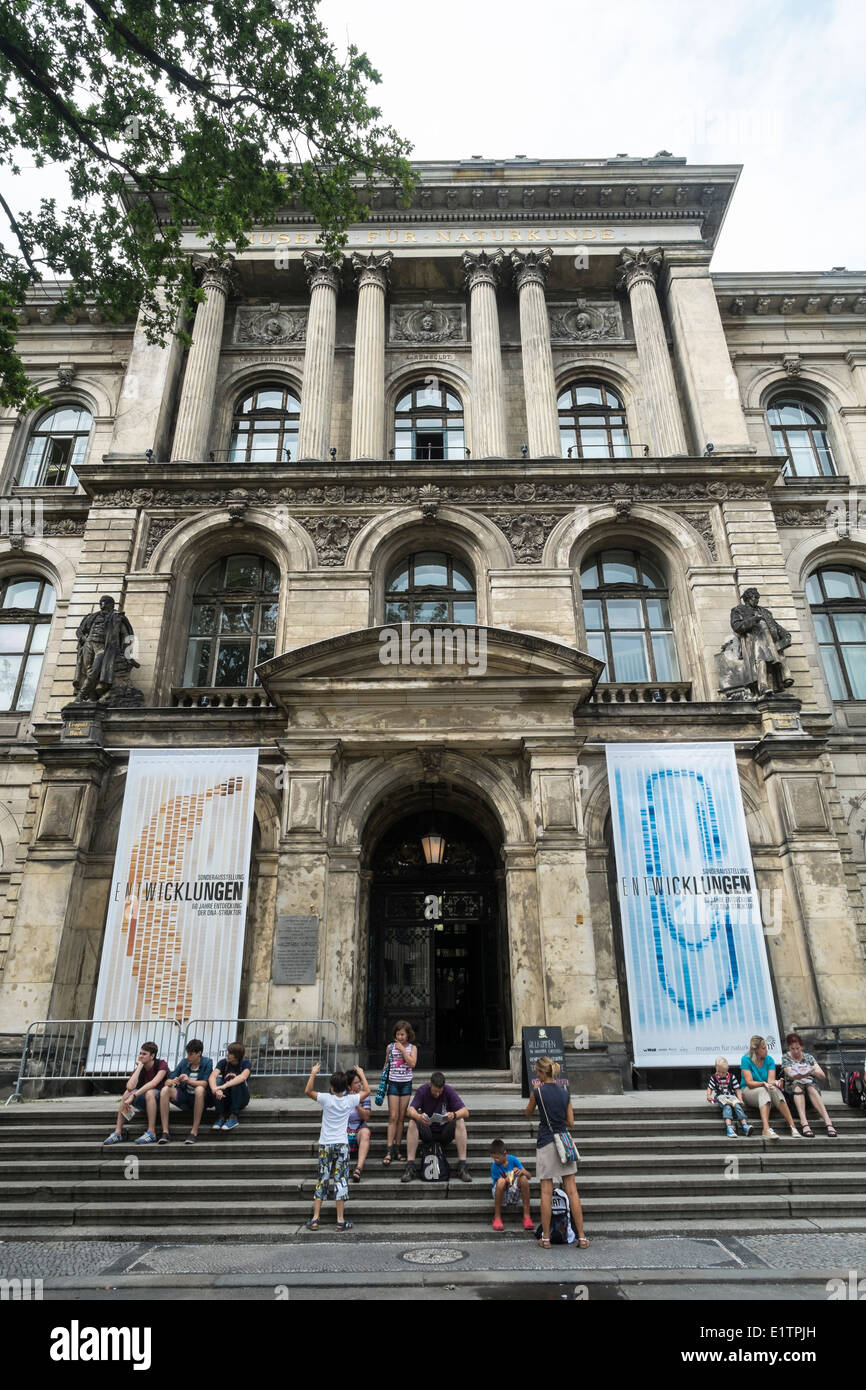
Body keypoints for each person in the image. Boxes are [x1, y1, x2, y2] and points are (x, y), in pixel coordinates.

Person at [525, 1055, 588, 1250]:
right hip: (564, 1142)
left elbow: (527, 1112)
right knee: (572, 1190)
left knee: (546, 1190)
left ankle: (545, 1238)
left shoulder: (538, 1092)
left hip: (546, 1141)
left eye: (537, 1071)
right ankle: (582, 1237)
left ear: (543, 1073)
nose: (536, 1073)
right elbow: (571, 1122)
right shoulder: (565, 1093)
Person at [304, 1061, 371, 1230]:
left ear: (332, 1087)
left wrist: (313, 1073)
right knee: (341, 1180)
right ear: (346, 1087)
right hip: (342, 1145)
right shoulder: (350, 1100)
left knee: (322, 1180)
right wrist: (361, 1073)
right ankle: (340, 1220)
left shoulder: (326, 1099)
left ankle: (315, 1219)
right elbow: (368, 1091)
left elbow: (308, 1091)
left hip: (326, 1144)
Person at [402, 1070, 472, 1183]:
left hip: (444, 1132)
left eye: (440, 1091)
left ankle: (462, 1166)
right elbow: (410, 1111)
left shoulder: (448, 1091)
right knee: (412, 1122)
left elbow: (465, 1111)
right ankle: (410, 1167)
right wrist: (419, 1116)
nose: (437, 1094)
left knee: (460, 1120)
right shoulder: (422, 1090)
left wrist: (454, 1115)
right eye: (435, 1091)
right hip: (428, 1131)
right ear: (430, 1085)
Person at [103, 1042, 167, 1145]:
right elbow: (129, 1087)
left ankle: (151, 1133)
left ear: (152, 1056)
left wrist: (134, 1095)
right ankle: (118, 1132)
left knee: (150, 1092)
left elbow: (154, 1083)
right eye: (140, 1053)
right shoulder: (141, 1067)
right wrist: (139, 1067)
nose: (140, 1056)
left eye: (144, 1054)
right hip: (145, 1101)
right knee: (126, 1094)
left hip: (160, 1102)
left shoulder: (161, 1064)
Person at [739, 1035, 801, 1139]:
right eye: (763, 1048)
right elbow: (749, 1083)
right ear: (756, 1050)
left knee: (775, 1090)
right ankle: (766, 1129)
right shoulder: (746, 1059)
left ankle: (793, 1127)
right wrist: (763, 1084)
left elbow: (770, 1081)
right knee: (763, 1090)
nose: (766, 1050)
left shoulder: (769, 1060)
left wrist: (776, 1082)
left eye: (766, 1047)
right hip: (748, 1091)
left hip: (765, 1090)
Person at [781, 1032, 838, 1137]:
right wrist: (801, 1073)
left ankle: (828, 1123)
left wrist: (811, 1070)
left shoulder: (809, 1057)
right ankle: (804, 1123)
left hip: (810, 1085)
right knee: (798, 1086)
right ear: (789, 1047)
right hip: (793, 1087)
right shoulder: (786, 1058)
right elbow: (791, 1075)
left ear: (801, 1046)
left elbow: (822, 1075)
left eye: (797, 1048)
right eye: (792, 1049)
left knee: (810, 1086)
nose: (795, 1051)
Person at [157, 1039, 214, 1145]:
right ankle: (165, 1132)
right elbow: (167, 1080)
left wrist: (189, 1081)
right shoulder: (184, 1062)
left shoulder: (207, 1062)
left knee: (200, 1089)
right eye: (187, 1053)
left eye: (191, 1054)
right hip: (185, 1097)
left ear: (199, 1053)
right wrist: (172, 1081)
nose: (188, 1056)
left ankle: (194, 1132)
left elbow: (205, 1084)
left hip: (201, 1099)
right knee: (165, 1090)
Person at [381, 1020, 417, 1166]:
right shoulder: (390, 1047)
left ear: (408, 1035)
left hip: (406, 1084)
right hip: (393, 1084)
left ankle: (397, 1148)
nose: (400, 1037)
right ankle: (389, 1150)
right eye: (398, 1034)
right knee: (393, 1117)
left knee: (402, 1118)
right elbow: (386, 1065)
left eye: (402, 1034)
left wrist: (402, 1050)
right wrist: (383, 1082)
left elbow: (412, 1064)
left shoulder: (412, 1048)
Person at [489, 1138, 534, 1232]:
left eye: (497, 1158)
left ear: (504, 1153)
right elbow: (501, 1185)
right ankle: (497, 1217)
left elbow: (529, 1176)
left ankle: (527, 1216)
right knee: (501, 1181)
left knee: (524, 1179)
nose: (495, 1160)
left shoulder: (513, 1159)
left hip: (513, 1194)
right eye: (493, 1158)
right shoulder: (494, 1167)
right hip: (501, 1194)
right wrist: (509, 1178)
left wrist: (522, 1171)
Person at [706, 1056, 752, 1137]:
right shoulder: (714, 1077)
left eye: (723, 1072)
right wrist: (709, 1095)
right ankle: (729, 1128)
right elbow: (710, 1087)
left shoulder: (732, 1077)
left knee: (737, 1106)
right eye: (719, 1072)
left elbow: (737, 1089)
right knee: (727, 1107)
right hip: (720, 1097)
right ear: (716, 1069)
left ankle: (745, 1125)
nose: (721, 1074)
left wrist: (740, 1099)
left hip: (731, 1097)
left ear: (727, 1069)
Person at [210, 1041, 252, 1131]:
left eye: (230, 1053)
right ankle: (221, 1117)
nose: (227, 1055)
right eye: (228, 1052)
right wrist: (216, 1089)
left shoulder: (245, 1063)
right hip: (227, 1097)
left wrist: (224, 1085)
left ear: (237, 1055)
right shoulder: (223, 1063)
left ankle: (233, 1117)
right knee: (216, 1081)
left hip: (241, 1098)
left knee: (237, 1081)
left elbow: (243, 1077)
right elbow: (212, 1076)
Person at [345, 1068, 372, 1181]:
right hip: (345, 1130)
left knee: (366, 1132)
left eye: (360, 1082)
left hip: (358, 1130)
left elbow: (366, 1116)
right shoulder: (341, 1096)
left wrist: (356, 1102)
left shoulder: (364, 1095)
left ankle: (358, 1169)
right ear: (349, 1086)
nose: (359, 1085)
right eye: (356, 1083)